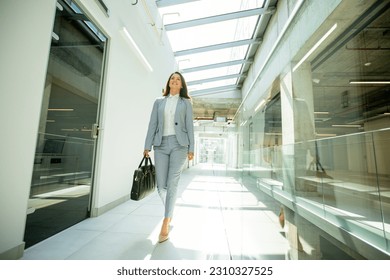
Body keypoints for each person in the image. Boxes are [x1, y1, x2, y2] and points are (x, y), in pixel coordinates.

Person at [143, 72, 195, 243]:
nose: (175, 80)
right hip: (161, 144)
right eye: (172, 78)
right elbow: (153, 124)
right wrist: (147, 146)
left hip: (180, 145)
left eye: (178, 79)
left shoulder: (186, 103)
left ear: (181, 85)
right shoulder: (158, 102)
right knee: (161, 186)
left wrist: (191, 148)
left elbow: (189, 126)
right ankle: (170, 213)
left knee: (172, 183)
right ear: (168, 83)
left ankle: (165, 222)